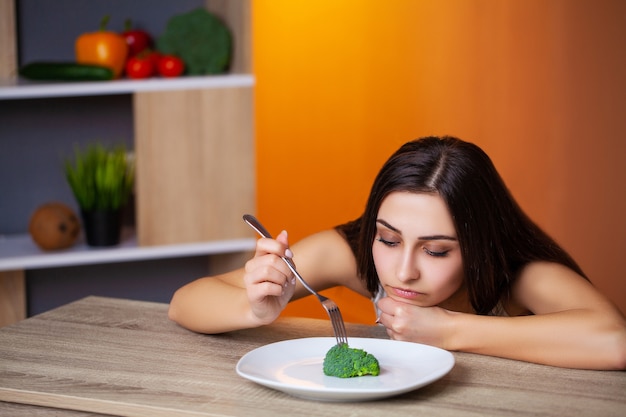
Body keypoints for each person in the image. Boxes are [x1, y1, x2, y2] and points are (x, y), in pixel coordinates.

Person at [169, 136, 626, 370]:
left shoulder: (518, 271)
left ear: (478, 245)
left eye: (437, 251)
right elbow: (184, 302)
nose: (403, 271)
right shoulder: (353, 253)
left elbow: (614, 341)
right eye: (388, 240)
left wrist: (449, 330)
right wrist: (253, 308)